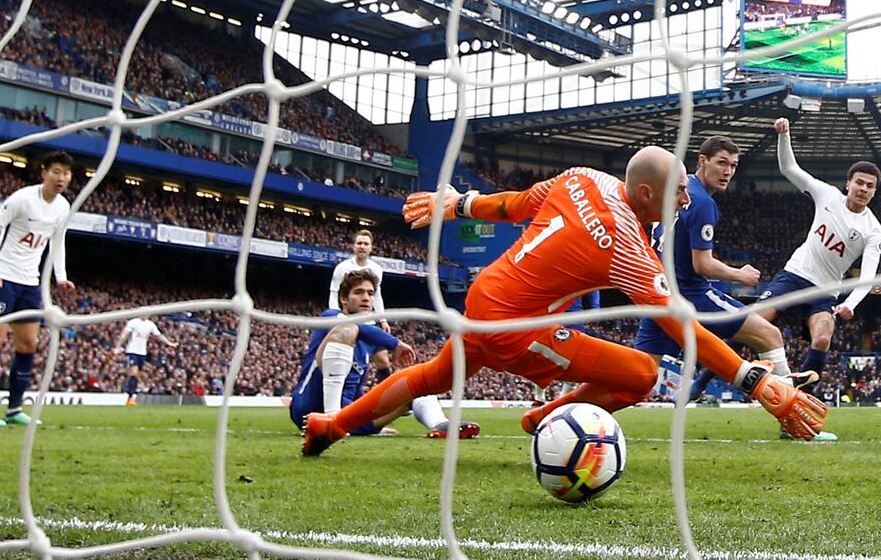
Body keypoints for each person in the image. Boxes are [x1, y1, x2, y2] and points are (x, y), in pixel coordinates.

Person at [302, 147, 827, 456]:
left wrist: (460, 203)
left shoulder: (581, 178)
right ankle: (548, 421)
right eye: (677, 194)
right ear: (646, 197)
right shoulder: (627, 247)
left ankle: (333, 425)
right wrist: (757, 382)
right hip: (515, 327)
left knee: (436, 377)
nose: (686, 200)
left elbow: (517, 205)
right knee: (643, 374)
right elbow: (683, 326)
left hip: (488, 293)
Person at [634, 136, 791, 378]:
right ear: (702, 161)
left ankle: (568, 409)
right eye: (722, 163)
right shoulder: (703, 203)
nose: (727, 171)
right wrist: (740, 274)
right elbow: (702, 264)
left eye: (733, 165)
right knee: (770, 335)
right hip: (691, 295)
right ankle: (791, 408)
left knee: (637, 378)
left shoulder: (676, 191)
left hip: (660, 296)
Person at [755, 118, 881, 385]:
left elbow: (868, 277)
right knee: (753, 320)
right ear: (848, 183)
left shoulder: (873, 230)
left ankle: (803, 396)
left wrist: (850, 303)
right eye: (859, 182)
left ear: (874, 192)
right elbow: (789, 168)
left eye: (870, 186)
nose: (863, 189)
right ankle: (705, 378)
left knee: (823, 337)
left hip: (825, 290)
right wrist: (784, 135)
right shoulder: (827, 195)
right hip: (794, 274)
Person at [327, 229, 471, 439]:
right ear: (354, 245)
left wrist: (382, 320)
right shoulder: (342, 270)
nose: (362, 247)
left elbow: (378, 297)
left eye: (366, 243)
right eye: (359, 243)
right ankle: (429, 419)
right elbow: (334, 293)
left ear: (371, 247)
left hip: (366, 329)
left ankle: (440, 424)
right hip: (341, 415)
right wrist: (337, 319)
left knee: (390, 367)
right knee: (408, 384)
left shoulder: (376, 269)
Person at [0, 150, 77, 426]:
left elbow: (59, 241)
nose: (61, 178)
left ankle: (14, 409)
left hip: (30, 282)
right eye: (56, 171)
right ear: (44, 172)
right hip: (4, 278)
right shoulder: (22, 199)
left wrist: (60, 276)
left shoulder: (63, 207)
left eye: (66, 173)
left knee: (28, 344)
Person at [291, 270, 434, 437]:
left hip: (345, 411)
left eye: (370, 293)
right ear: (344, 299)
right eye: (359, 292)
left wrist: (376, 418)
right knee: (348, 329)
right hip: (307, 409)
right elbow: (356, 327)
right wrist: (394, 343)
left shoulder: (368, 343)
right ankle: (333, 419)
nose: (366, 298)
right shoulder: (330, 317)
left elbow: (354, 391)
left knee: (414, 385)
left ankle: (442, 426)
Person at [113, 316, 178, 405]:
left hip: (142, 353)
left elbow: (158, 335)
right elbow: (125, 334)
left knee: (137, 375)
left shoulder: (150, 324)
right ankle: (130, 397)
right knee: (133, 372)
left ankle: (130, 397)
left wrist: (169, 343)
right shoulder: (133, 322)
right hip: (132, 351)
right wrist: (118, 346)